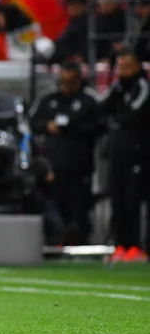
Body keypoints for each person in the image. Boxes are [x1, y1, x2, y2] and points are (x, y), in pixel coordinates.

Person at [29, 62, 99, 244]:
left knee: (78, 206)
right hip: (53, 166)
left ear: (78, 80)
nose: (66, 86)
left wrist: (70, 128)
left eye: (70, 82)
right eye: (63, 82)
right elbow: (33, 122)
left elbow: (98, 126)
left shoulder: (88, 100)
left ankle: (80, 244)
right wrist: (47, 126)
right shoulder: (48, 98)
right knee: (52, 206)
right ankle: (53, 243)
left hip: (79, 166)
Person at [99, 50, 150, 262]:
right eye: (120, 66)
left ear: (138, 66)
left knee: (133, 200)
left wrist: (115, 119)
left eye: (127, 66)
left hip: (138, 154)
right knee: (118, 199)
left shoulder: (143, 87)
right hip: (118, 153)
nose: (123, 71)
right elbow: (101, 108)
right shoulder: (119, 87)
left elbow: (132, 115)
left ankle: (137, 245)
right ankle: (121, 244)